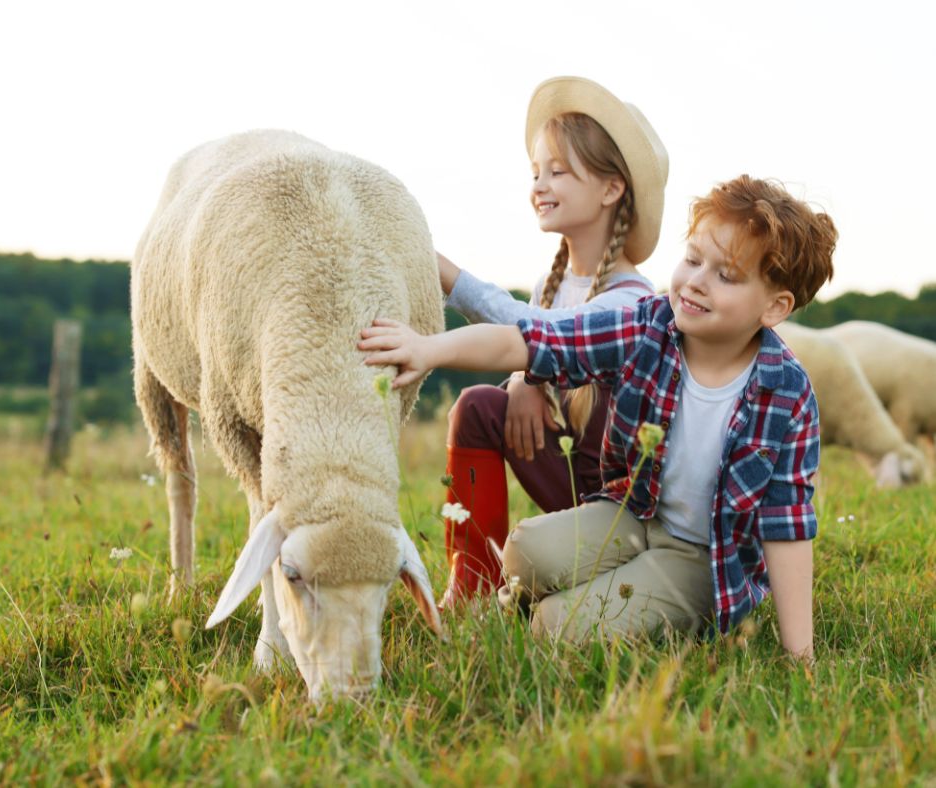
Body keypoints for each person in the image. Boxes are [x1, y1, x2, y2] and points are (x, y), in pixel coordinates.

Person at [359, 175, 838, 659]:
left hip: (703, 557)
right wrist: (428, 348)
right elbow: (528, 340)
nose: (696, 281)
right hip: (633, 513)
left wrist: (801, 656)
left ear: (775, 307)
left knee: (559, 625)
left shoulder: (788, 393)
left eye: (726, 276)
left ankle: (572, 613)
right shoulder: (648, 325)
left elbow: (787, 525)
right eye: (693, 259)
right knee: (524, 550)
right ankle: (531, 599)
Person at [435, 76, 668, 608]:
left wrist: (445, 274)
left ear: (611, 189)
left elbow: (544, 336)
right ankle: (469, 581)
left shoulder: (633, 300)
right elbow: (534, 339)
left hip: (621, 503)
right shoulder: (552, 286)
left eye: (558, 171)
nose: (539, 184)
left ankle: (591, 564)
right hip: (565, 475)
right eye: (536, 171)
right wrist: (521, 379)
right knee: (478, 406)